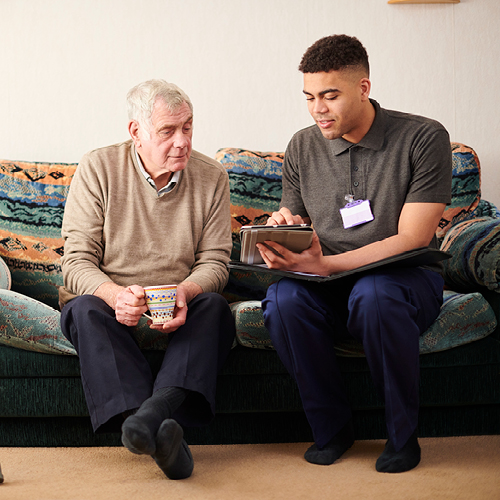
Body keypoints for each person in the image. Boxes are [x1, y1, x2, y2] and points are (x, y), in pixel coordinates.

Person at [258, 35, 452, 473]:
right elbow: (301, 224)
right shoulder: (302, 146)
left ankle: (402, 438)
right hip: (327, 281)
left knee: (375, 294)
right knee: (283, 302)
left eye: (330, 95)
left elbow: (413, 238)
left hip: (402, 279)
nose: (317, 109)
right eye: (309, 97)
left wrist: (327, 264)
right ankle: (333, 430)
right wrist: (284, 230)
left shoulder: (423, 137)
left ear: (363, 88)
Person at [59, 79, 236, 480]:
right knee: (83, 308)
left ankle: (147, 418)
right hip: (109, 303)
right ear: (136, 132)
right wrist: (115, 294)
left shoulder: (212, 177)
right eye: (167, 131)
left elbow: (216, 262)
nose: (181, 142)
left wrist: (186, 291)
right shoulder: (98, 167)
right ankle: (159, 426)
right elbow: (75, 262)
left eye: (187, 128)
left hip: (180, 305)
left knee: (215, 307)